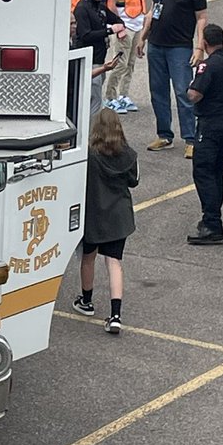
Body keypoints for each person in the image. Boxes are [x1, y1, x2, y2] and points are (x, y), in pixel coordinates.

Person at [138, 0, 208, 158]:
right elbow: (153, 10)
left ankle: (190, 138)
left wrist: (199, 47)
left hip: (179, 47)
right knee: (157, 91)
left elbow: (201, 17)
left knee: (183, 92)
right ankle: (164, 135)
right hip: (156, 45)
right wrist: (143, 36)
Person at [72, 108, 138, 335]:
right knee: (114, 262)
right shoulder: (129, 155)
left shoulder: (89, 155)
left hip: (93, 215)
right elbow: (134, 182)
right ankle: (116, 314)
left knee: (88, 259)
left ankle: (86, 301)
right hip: (119, 216)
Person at [185, 23, 223, 244]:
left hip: (210, 124)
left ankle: (212, 224)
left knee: (203, 172)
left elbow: (194, 94)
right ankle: (212, 218)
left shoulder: (207, 66)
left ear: (205, 42)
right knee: (218, 172)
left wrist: (190, 87)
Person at [104, 0, 162, 112]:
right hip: (125, 26)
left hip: (137, 24)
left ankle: (124, 95)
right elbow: (111, 4)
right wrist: (119, 26)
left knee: (130, 64)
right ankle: (110, 97)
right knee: (120, 63)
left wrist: (144, 25)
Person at [74, 0, 127, 117]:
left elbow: (115, 19)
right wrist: (110, 31)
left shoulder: (100, 6)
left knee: (96, 99)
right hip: (89, 63)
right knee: (94, 103)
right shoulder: (82, 9)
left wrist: (120, 28)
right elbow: (86, 35)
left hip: (100, 61)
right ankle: (90, 136)